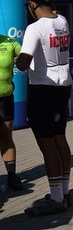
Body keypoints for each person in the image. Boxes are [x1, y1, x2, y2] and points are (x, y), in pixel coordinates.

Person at [16, 0, 73, 215]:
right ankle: (64, 192)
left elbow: (23, 62)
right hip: (63, 86)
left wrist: (15, 59)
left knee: (47, 144)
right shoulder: (63, 21)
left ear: (32, 3)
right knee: (60, 139)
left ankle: (57, 199)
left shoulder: (35, 27)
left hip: (42, 89)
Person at [0, 33, 23, 191]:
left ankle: (12, 176)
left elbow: (27, 54)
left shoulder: (9, 42)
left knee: (6, 137)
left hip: (5, 98)